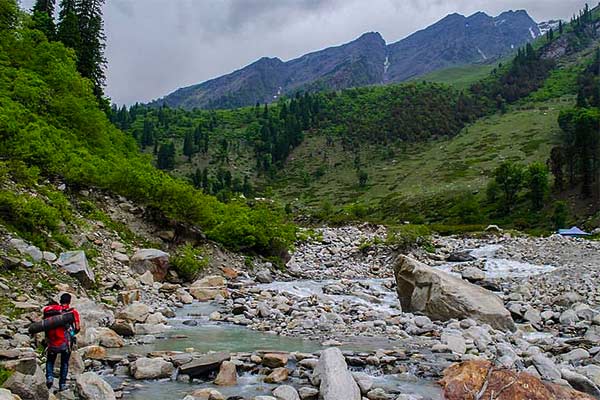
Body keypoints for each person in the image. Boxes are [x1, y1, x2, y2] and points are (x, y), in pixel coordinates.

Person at [43, 293, 80, 392]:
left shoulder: (50, 311)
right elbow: (77, 328)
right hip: (65, 342)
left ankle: (49, 377)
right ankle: (62, 385)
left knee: (50, 360)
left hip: (51, 341)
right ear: (69, 301)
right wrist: (72, 333)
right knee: (64, 363)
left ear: (60, 300)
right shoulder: (72, 312)